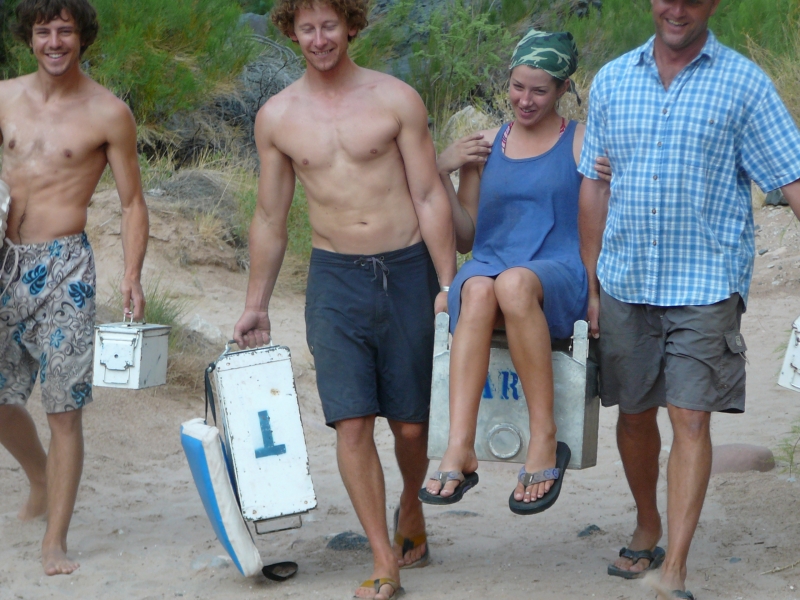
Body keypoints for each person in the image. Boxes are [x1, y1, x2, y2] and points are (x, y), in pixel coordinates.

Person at [231, 1, 456, 598]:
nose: (319, 38)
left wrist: (447, 284)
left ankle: (411, 505)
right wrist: (256, 302)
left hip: (406, 270)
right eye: (307, 28)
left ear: (351, 26)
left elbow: (429, 193)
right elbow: (270, 217)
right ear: (291, 32)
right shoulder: (277, 116)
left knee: (411, 427)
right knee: (351, 421)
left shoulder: (396, 99)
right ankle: (383, 560)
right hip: (334, 279)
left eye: (329, 25)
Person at [578, 1, 800, 598]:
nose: (677, 9)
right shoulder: (613, 80)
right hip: (626, 279)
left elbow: (792, 176)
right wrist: (591, 285)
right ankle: (647, 521)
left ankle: (673, 568)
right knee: (633, 414)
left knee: (691, 416)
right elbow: (595, 185)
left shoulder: (745, 84)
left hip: (705, 283)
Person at [419, 30, 609, 514]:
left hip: (556, 269)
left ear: (563, 88)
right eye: (518, 86)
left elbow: (598, 220)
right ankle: (460, 446)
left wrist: (595, 291)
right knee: (479, 289)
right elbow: (467, 236)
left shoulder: (581, 142)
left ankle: (544, 437)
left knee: (513, 283)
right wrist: (442, 172)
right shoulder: (485, 146)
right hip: (491, 265)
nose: (525, 100)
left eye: (540, 90)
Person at [0, 0, 149, 577]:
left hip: (65, 270)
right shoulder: (5, 96)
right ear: (29, 38)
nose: (55, 41)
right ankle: (40, 477)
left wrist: (131, 272)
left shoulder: (108, 112)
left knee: (64, 407)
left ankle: (54, 542)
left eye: (65, 30)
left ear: (82, 36)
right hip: (3, 264)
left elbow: (132, 203)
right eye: (44, 31)